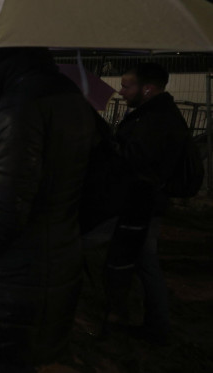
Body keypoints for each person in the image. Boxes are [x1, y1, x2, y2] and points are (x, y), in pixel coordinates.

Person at [0, 47, 98, 372]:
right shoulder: (65, 95)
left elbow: (1, 214)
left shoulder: (22, 107)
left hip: (12, 286)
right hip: (50, 268)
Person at [101, 63, 186, 343]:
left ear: (147, 88)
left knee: (145, 262)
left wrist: (108, 146)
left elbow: (135, 160)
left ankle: (155, 326)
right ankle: (150, 322)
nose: (121, 91)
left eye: (127, 86)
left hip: (143, 204)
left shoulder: (156, 120)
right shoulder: (153, 115)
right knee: (142, 261)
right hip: (141, 203)